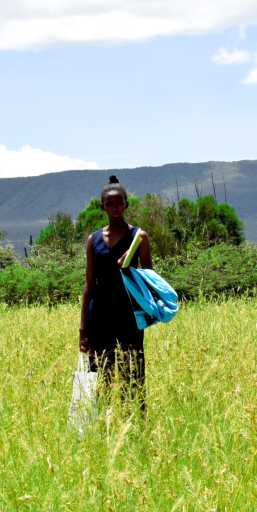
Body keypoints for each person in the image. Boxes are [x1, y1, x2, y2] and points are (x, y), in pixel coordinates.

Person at [79, 175, 153, 413]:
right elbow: (89, 286)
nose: (115, 208)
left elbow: (150, 279)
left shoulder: (139, 238)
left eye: (119, 203)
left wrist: (130, 268)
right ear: (102, 207)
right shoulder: (94, 240)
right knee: (101, 376)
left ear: (126, 205)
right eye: (109, 204)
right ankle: (102, 425)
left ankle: (136, 426)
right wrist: (83, 329)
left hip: (128, 318)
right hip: (99, 318)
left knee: (133, 374)